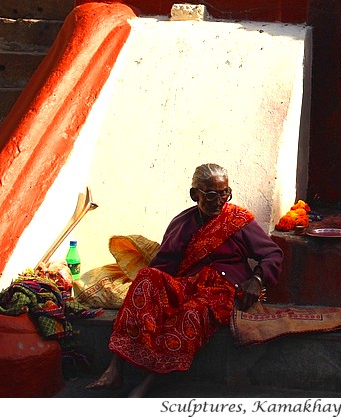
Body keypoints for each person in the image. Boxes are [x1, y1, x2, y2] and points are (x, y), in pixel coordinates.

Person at [86, 163, 283, 397]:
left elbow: (273, 254)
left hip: (222, 291)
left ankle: (147, 384)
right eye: (211, 194)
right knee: (146, 278)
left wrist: (257, 279)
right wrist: (157, 295)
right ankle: (115, 368)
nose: (219, 200)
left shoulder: (238, 221)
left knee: (190, 312)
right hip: (187, 285)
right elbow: (163, 265)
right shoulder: (182, 223)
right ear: (194, 195)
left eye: (224, 193)